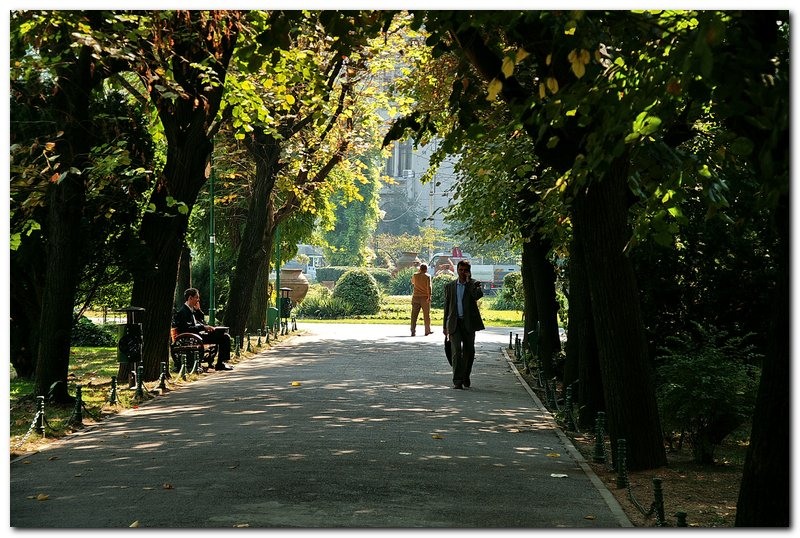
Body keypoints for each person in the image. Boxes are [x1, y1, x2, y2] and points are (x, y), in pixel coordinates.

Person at [443, 260, 485, 389]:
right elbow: (447, 307)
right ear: (457, 270)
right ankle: (457, 380)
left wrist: (468, 282)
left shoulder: (474, 284)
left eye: (465, 270)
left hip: (468, 323)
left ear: (469, 271)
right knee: (456, 351)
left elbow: (477, 296)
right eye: (460, 270)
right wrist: (445, 326)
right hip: (454, 323)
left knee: (469, 351)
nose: (462, 272)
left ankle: (466, 375)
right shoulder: (450, 286)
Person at [174, 288, 233, 371]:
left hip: (196, 337)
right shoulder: (183, 312)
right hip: (192, 339)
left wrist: (198, 310)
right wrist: (203, 327)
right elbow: (187, 328)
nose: (198, 300)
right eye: (197, 297)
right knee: (224, 337)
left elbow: (201, 320)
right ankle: (220, 364)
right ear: (190, 298)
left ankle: (221, 363)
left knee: (223, 335)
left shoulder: (191, 309)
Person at [410, 263, 433, 337]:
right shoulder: (427, 276)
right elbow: (429, 287)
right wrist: (429, 296)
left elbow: (412, 282)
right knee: (426, 315)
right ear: (426, 269)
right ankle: (427, 330)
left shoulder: (415, 275)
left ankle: (413, 330)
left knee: (414, 315)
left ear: (420, 269)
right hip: (425, 297)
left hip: (416, 296)